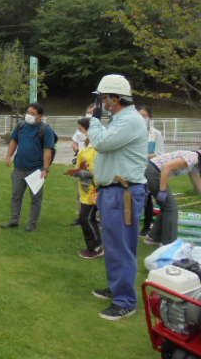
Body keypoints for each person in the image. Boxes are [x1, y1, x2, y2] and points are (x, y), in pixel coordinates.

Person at [88, 74, 148, 321]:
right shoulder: (121, 119)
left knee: (121, 247)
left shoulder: (130, 120)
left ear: (116, 98)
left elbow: (101, 143)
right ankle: (117, 288)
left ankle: (125, 301)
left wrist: (93, 121)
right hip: (114, 191)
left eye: (104, 98)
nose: (102, 102)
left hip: (122, 193)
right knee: (114, 245)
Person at [1, 103, 56, 232]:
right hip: (19, 168)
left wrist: (45, 169)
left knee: (36, 198)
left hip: (36, 170)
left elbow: (48, 151)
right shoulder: (21, 126)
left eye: (32, 113)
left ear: (40, 116)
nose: (29, 115)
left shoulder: (46, 130)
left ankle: (32, 224)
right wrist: (9, 155)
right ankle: (14, 221)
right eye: (28, 112)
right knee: (16, 195)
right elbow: (14, 140)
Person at [144, 150, 201, 246]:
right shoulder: (193, 157)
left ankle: (153, 237)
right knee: (171, 208)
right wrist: (163, 190)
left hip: (155, 172)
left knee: (167, 207)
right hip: (154, 171)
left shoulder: (195, 165)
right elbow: (166, 167)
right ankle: (169, 244)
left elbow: (199, 187)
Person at [65, 117, 103, 259]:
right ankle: (93, 246)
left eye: (81, 130)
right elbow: (81, 166)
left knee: (85, 219)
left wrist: (83, 172)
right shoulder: (86, 148)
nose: (79, 133)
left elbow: (98, 172)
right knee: (88, 218)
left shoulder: (98, 149)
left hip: (94, 191)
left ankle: (96, 247)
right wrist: (76, 170)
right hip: (85, 190)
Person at [137, 105, 165, 236]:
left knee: (147, 198)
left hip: (150, 169)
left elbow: (160, 153)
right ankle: (132, 224)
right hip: (134, 169)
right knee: (133, 196)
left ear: (150, 118)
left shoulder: (156, 134)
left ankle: (146, 226)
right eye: (139, 116)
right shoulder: (132, 132)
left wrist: (143, 156)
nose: (142, 118)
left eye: (144, 116)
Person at [68, 104, 95, 226]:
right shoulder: (80, 131)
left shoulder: (97, 135)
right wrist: (77, 152)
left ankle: (93, 218)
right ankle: (82, 217)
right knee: (81, 193)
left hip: (93, 172)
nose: (90, 114)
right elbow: (74, 143)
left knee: (93, 193)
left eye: (93, 112)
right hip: (82, 166)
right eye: (89, 112)